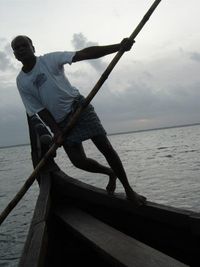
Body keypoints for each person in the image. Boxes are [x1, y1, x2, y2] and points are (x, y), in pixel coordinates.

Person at [11, 35, 146, 206]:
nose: (21, 49)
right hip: (60, 121)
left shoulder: (49, 59)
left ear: (33, 47)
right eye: (16, 48)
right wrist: (56, 131)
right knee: (78, 161)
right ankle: (110, 173)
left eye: (24, 45)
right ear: (15, 55)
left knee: (105, 148)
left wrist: (118, 47)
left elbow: (82, 54)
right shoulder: (21, 81)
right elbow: (38, 109)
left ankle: (128, 190)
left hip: (78, 108)